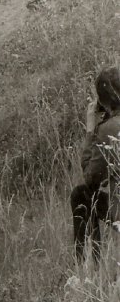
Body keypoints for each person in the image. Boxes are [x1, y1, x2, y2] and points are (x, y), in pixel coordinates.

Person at [70, 67, 120, 262]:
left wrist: (92, 130)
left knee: (81, 194)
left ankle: (89, 265)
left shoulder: (109, 128)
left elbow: (90, 177)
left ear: (104, 101)